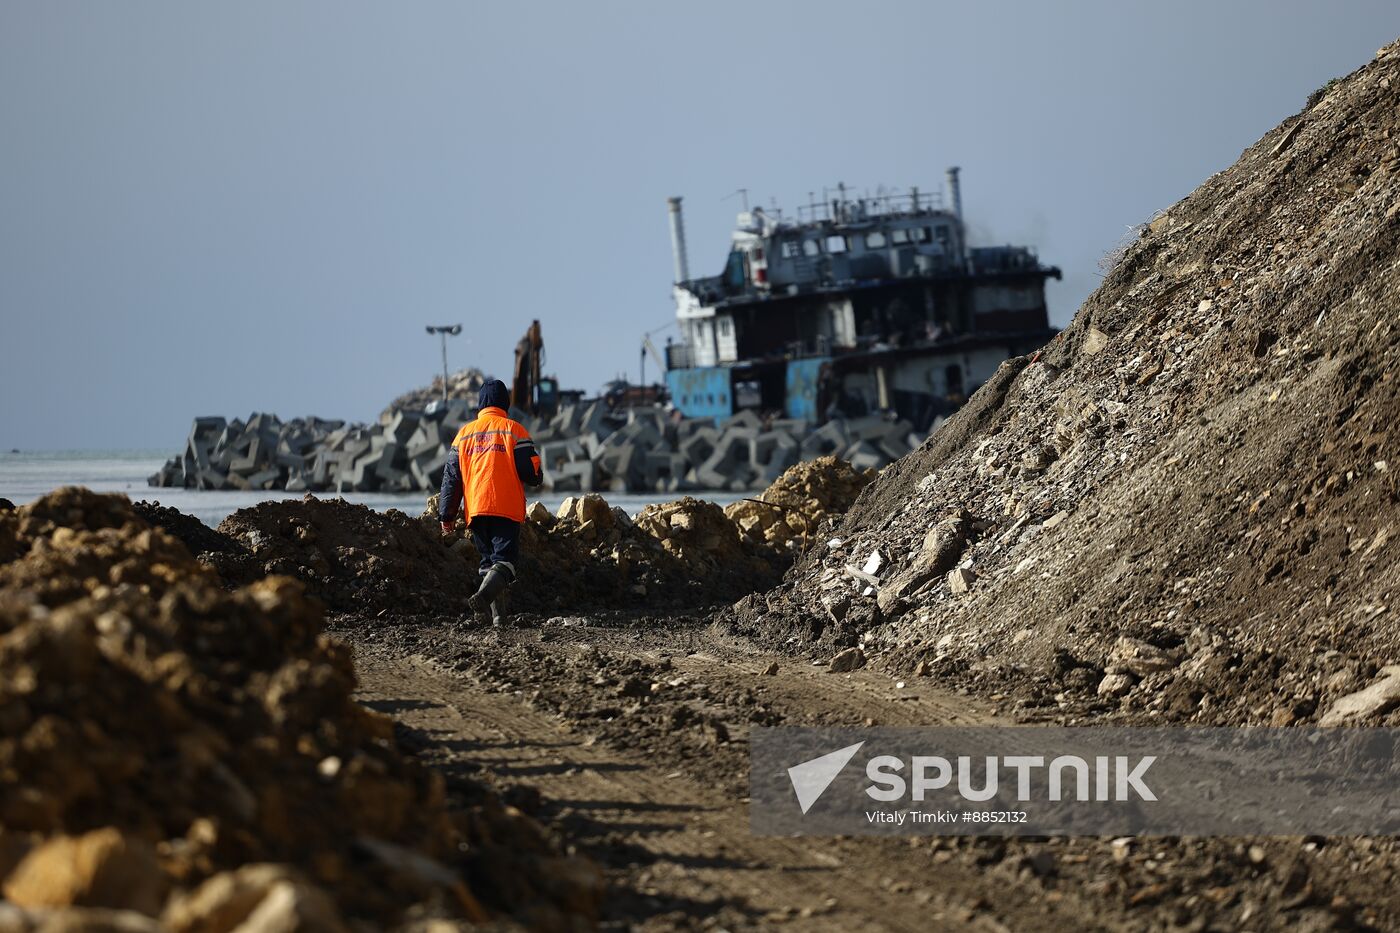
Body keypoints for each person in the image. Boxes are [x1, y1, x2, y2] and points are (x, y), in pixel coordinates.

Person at [438, 379, 543, 622]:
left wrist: (447, 517)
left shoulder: (463, 435)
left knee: (488, 563)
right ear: (504, 403)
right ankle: (483, 599)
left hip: (475, 510)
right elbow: (530, 471)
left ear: (480, 404)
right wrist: (537, 475)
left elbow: (450, 480)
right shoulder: (514, 430)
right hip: (504, 507)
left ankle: (495, 618)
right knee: (506, 562)